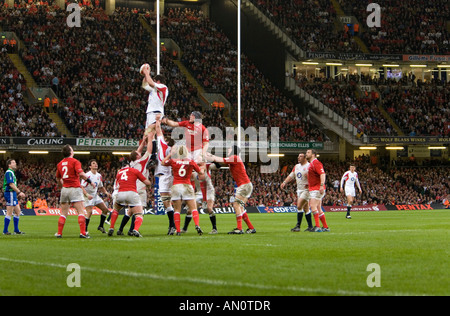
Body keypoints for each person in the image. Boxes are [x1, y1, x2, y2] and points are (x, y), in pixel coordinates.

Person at [206, 145, 256, 234]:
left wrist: (209, 155)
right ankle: (251, 228)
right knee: (240, 207)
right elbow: (219, 164)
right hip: (247, 185)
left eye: (229, 149)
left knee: (236, 205)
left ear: (233, 150)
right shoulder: (234, 159)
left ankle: (239, 229)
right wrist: (210, 162)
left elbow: (220, 160)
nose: (228, 150)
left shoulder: (234, 157)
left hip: (244, 185)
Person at [162, 145, 205, 236]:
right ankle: (197, 225)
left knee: (177, 209)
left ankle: (178, 230)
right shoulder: (191, 162)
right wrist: (202, 166)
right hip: (187, 185)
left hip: (176, 186)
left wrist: (170, 154)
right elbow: (200, 173)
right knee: (193, 208)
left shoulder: (173, 161)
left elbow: (163, 162)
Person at [55, 145, 96, 238]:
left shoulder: (60, 163)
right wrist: (90, 182)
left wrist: (63, 186)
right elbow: (81, 174)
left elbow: (58, 179)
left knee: (63, 213)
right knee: (81, 211)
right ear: (70, 152)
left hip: (65, 189)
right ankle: (83, 233)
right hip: (75, 188)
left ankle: (59, 233)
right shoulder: (75, 161)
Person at [116, 136, 153, 236]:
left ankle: (120, 229)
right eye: (138, 154)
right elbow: (149, 150)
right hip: (140, 189)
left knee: (130, 211)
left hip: (132, 188)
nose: (139, 154)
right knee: (138, 212)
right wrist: (150, 139)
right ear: (137, 156)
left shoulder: (132, 163)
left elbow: (137, 152)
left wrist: (142, 142)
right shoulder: (141, 161)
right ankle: (133, 230)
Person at [108, 160, 152, 237]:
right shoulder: (134, 170)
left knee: (116, 210)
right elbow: (147, 182)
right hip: (132, 193)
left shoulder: (119, 173)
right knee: (139, 214)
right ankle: (135, 230)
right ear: (129, 165)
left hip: (120, 193)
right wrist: (149, 186)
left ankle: (111, 227)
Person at [280, 153, 313, 232]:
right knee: (306, 208)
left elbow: (314, 177)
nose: (298, 157)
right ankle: (310, 226)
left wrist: (310, 184)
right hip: (299, 189)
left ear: (305, 158)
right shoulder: (296, 166)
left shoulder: (309, 166)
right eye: (298, 156)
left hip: (306, 190)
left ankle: (298, 226)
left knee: (299, 205)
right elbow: (291, 175)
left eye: (300, 156)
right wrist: (284, 182)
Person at [154, 119, 175, 235]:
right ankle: (173, 224)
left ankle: (172, 225)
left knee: (166, 201)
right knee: (169, 201)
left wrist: (157, 121)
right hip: (170, 175)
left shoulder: (162, 144)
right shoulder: (172, 149)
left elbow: (158, 131)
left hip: (164, 176)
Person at [81, 159, 112, 234]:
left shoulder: (99, 176)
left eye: (96, 163)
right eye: (93, 163)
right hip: (87, 196)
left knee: (105, 210)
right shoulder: (87, 175)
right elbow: (81, 187)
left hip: (95, 196)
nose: (96, 164)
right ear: (90, 166)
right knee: (89, 212)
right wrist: (87, 195)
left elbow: (101, 187)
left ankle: (101, 226)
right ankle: (85, 230)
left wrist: (106, 193)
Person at [141, 66, 169, 144]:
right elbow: (144, 85)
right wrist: (145, 74)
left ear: (158, 81)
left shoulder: (163, 87)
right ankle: (149, 153)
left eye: (154, 81)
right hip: (150, 113)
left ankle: (153, 153)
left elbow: (150, 83)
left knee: (150, 134)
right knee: (146, 135)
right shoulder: (154, 90)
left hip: (156, 112)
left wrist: (147, 72)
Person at [305, 149, 329, 232]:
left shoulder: (316, 163)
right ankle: (325, 227)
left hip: (317, 188)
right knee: (318, 208)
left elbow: (322, 174)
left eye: (308, 153)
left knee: (312, 206)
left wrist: (322, 185)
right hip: (314, 188)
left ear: (313, 155)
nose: (306, 154)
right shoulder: (311, 164)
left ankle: (317, 226)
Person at [2, 159, 26, 235]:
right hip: (10, 193)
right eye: (13, 162)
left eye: (15, 162)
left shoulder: (12, 172)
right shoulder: (9, 172)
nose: (15, 163)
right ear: (9, 165)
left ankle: (16, 230)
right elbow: (11, 184)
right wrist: (19, 192)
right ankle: (5, 231)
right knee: (9, 212)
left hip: (13, 194)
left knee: (18, 211)